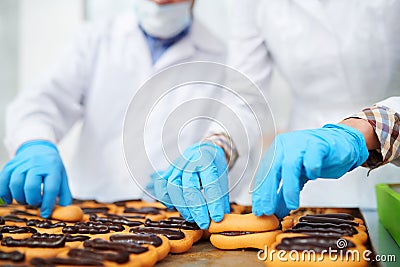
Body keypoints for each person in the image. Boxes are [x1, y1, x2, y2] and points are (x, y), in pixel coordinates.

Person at [0, 0, 232, 222]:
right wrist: (35, 143)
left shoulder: (224, 58)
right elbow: (42, 100)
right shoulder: (94, 39)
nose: (161, 1)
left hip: (176, 218)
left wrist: (213, 156)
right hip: (88, 212)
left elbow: (235, 131)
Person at [225, 0, 400, 215]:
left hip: (392, 171)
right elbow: (246, 95)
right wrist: (220, 142)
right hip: (306, 169)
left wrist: (365, 129)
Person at [253, 97, 400, 217]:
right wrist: (229, 145)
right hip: (299, 147)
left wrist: (361, 131)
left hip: (388, 184)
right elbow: (246, 96)